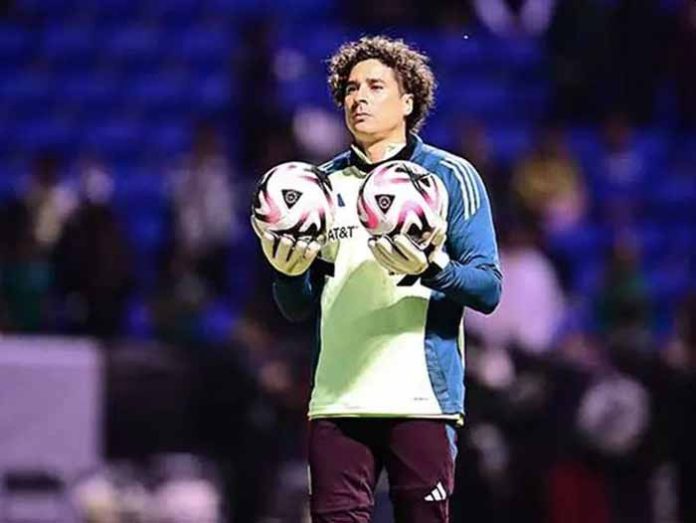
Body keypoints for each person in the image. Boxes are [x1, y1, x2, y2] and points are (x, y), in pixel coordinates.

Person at [251, 36, 502, 522]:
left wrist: (431, 268)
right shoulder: (316, 189)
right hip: (338, 400)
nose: (358, 98)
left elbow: (488, 288)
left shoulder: (451, 176)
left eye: (374, 86)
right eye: (350, 88)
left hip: (422, 400)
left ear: (408, 101)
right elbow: (297, 309)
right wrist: (286, 275)